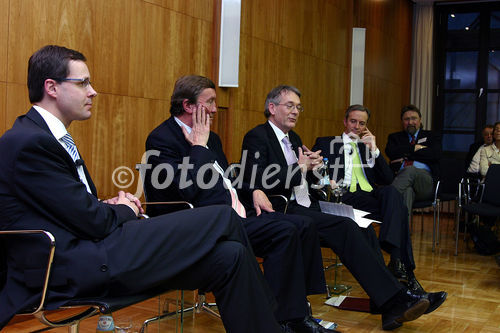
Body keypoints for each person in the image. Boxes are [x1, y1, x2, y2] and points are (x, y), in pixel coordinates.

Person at [0, 45, 283, 333]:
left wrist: (109, 207)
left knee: (231, 255)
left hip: (94, 247)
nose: (93, 91)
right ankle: (279, 319)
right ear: (52, 87)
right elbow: (91, 221)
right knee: (222, 217)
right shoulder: (28, 142)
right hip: (70, 267)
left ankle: (273, 325)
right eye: (83, 82)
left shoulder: (45, 137)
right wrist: (123, 209)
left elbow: (71, 209)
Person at [241, 85, 446, 331]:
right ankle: (395, 300)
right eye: (290, 106)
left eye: (298, 107)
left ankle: (390, 304)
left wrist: (316, 170)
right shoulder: (257, 136)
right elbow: (257, 179)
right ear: (272, 108)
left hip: (310, 202)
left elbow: (304, 178)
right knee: (346, 226)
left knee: (364, 228)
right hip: (287, 209)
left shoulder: (293, 138)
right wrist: (302, 169)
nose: (296, 111)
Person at [144, 75, 335, 333]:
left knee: (297, 227)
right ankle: (279, 316)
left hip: (236, 213)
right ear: (189, 106)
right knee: (284, 231)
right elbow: (185, 189)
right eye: (209, 102)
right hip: (206, 224)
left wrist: (254, 189)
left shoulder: (212, 138)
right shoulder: (162, 139)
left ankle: (293, 315)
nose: (214, 109)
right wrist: (198, 147)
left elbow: (228, 177)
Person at [312, 104, 446, 297]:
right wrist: (326, 181)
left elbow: (388, 179)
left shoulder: (367, 149)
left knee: (392, 194)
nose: (356, 127)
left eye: (362, 123)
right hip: (341, 195)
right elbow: (314, 172)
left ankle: (391, 248)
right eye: (353, 121)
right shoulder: (326, 143)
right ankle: (404, 271)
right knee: (400, 209)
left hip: (365, 196)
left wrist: (374, 151)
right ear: (345, 122)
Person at [385, 105, 442, 220]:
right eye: (406, 119)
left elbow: (435, 155)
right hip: (402, 180)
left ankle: (386, 199)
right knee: (407, 191)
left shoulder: (432, 136)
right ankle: (400, 234)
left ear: (420, 120)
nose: (410, 122)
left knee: (410, 169)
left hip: (425, 183)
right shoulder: (394, 137)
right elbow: (391, 152)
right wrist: (416, 148)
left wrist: (405, 153)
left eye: (414, 118)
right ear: (402, 122)